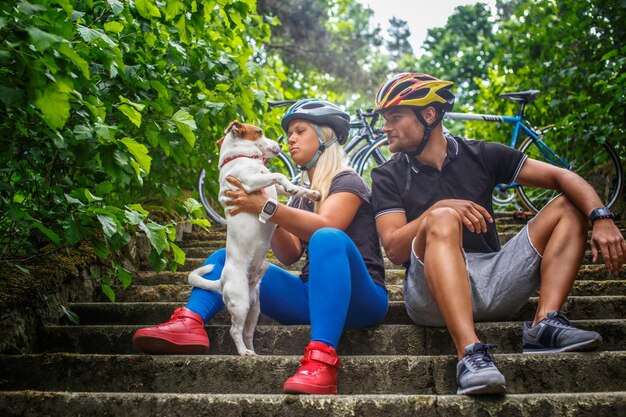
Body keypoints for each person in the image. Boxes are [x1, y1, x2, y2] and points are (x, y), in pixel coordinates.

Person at [370, 72, 626, 395]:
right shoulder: (386, 174)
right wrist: (440, 209)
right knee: (442, 217)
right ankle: (469, 354)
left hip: (495, 278)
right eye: (384, 119)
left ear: (429, 114)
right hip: (429, 295)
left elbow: (563, 177)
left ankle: (544, 324)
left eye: (394, 116)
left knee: (570, 205)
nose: (384, 127)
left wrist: (601, 216)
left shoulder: (482, 154)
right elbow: (393, 247)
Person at [132, 99, 388, 395]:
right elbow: (289, 254)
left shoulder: (348, 181)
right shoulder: (301, 196)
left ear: (325, 136)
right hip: (311, 298)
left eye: (300, 130)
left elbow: (325, 226)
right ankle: (190, 322)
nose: (290, 138)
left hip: (363, 300)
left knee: (327, 238)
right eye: (289, 132)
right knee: (228, 257)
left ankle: (322, 361)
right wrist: (263, 211)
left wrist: (267, 206)